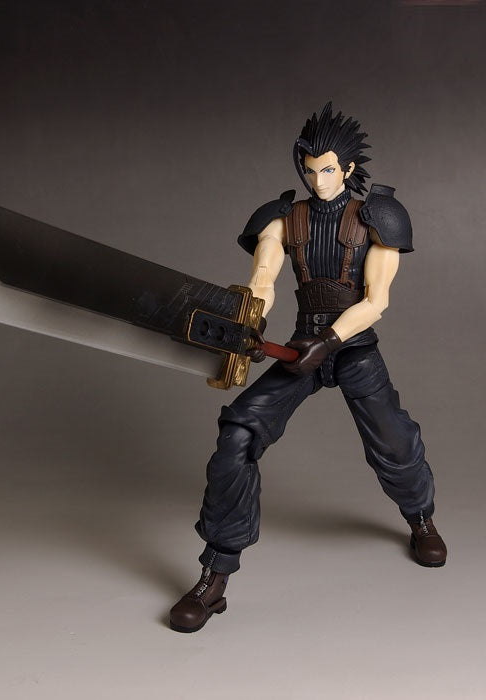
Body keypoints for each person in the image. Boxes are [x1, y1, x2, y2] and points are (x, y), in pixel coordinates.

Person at [169, 102, 447, 634]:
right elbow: (263, 279)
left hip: (354, 348)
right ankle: (215, 575)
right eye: (310, 170)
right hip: (299, 349)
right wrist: (250, 323)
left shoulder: (378, 218)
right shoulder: (282, 218)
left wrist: (329, 340)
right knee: (237, 434)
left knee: (393, 440)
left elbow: (376, 300)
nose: (318, 181)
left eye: (328, 170)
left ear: (347, 168)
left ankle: (420, 517)